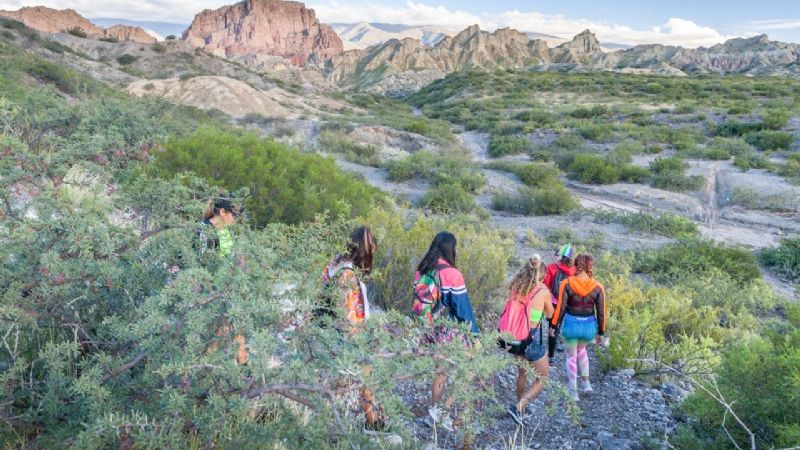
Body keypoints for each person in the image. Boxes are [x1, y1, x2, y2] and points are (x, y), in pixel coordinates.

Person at [412, 231, 479, 431]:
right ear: (451, 249)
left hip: (428, 330)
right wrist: (474, 335)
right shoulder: (452, 274)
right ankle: (443, 410)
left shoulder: (422, 270)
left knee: (441, 372)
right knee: (470, 370)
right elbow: (463, 309)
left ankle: (434, 411)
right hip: (450, 331)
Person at [322, 226, 385, 431]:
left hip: (332, 332)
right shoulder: (348, 274)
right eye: (371, 248)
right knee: (365, 377)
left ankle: (371, 420)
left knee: (349, 380)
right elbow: (347, 312)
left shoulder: (337, 264)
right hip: (348, 335)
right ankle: (372, 423)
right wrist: (358, 338)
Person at [498, 255, 554, 425]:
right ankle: (519, 407)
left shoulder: (516, 287)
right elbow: (551, 314)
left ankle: (519, 408)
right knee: (542, 378)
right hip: (530, 339)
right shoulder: (543, 292)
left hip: (513, 338)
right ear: (542, 276)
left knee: (522, 372)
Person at [551, 254, 606, 401]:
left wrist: (553, 325)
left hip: (571, 324)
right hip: (589, 326)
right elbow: (601, 313)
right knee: (582, 350)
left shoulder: (567, 283)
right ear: (590, 266)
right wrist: (601, 332)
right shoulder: (598, 287)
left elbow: (560, 309)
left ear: (576, 265)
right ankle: (586, 383)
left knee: (570, 356)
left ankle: (573, 391)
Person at [200, 197, 248, 365]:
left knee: (228, 327)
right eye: (234, 215)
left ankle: (243, 369)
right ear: (222, 212)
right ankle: (245, 370)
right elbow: (201, 263)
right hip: (209, 291)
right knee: (228, 327)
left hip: (225, 289)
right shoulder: (204, 231)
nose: (237, 220)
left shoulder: (226, 231)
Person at [543, 244, 576, 366]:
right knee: (559, 325)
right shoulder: (574, 271)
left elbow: (545, 284)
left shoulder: (551, 267)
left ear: (561, 256)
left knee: (552, 327)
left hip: (553, 302)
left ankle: (551, 357)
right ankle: (563, 346)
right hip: (567, 303)